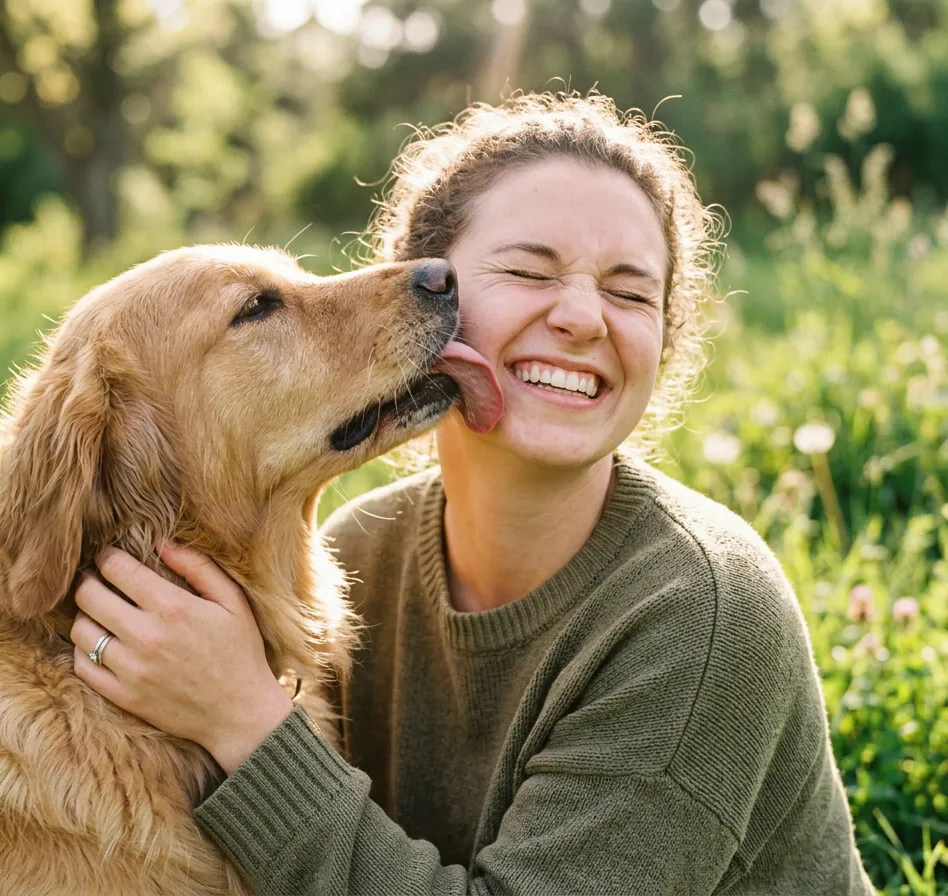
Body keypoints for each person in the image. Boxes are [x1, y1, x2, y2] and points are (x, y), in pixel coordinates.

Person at [68, 92, 875, 894]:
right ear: (425, 291)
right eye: (529, 271)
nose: (585, 318)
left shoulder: (705, 615)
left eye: (633, 293)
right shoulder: (356, 555)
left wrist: (244, 719)